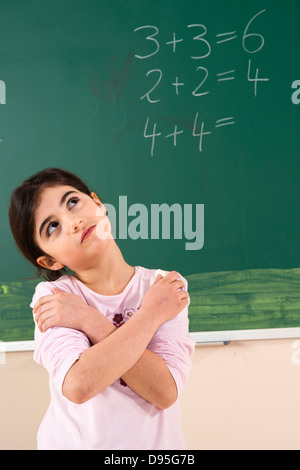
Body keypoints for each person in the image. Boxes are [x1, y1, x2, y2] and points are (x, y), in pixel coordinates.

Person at [9, 168, 195, 450]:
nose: (73, 221)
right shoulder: (56, 296)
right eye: (52, 226)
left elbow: (165, 391)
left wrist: (90, 320)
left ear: (98, 203)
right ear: (50, 261)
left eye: (72, 202)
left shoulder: (164, 287)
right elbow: (79, 384)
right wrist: (151, 314)